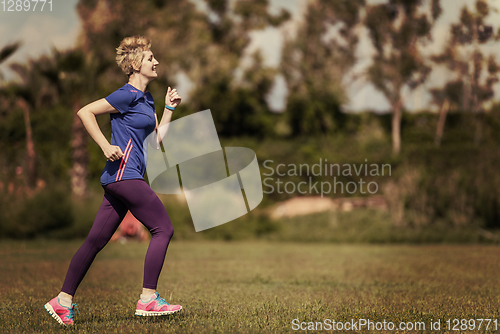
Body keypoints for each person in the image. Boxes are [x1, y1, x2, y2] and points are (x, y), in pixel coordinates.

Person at [44, 36, 182, 325]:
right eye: (150, 58)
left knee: (96, 240)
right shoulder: (127, 94)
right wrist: (105, 146)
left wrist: (169, 109)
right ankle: (148, 299)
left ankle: (62, 301)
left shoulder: (147, 99)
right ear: (135, 65)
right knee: (163, 229)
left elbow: (155, 142)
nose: (156, 62)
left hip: (120, 178)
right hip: (125, 174)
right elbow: (85, 112)